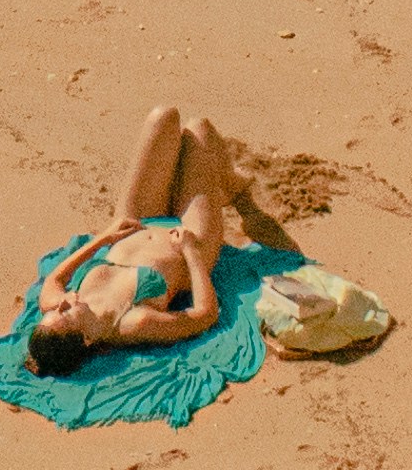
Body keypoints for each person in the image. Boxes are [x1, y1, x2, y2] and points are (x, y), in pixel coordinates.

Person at [27, 103, 249, 374]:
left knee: (163, 117)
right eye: (65, 314)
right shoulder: (133, 322)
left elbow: (54, 281)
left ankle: (214, 181)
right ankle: (228, 182)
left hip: (138, 220)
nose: (61, 304)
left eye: (54, 311)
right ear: (86, 339)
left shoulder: (58, 303)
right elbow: (204, 315)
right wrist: (190, 251)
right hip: (190, 238)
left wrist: (103, 239)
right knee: (199, 129)